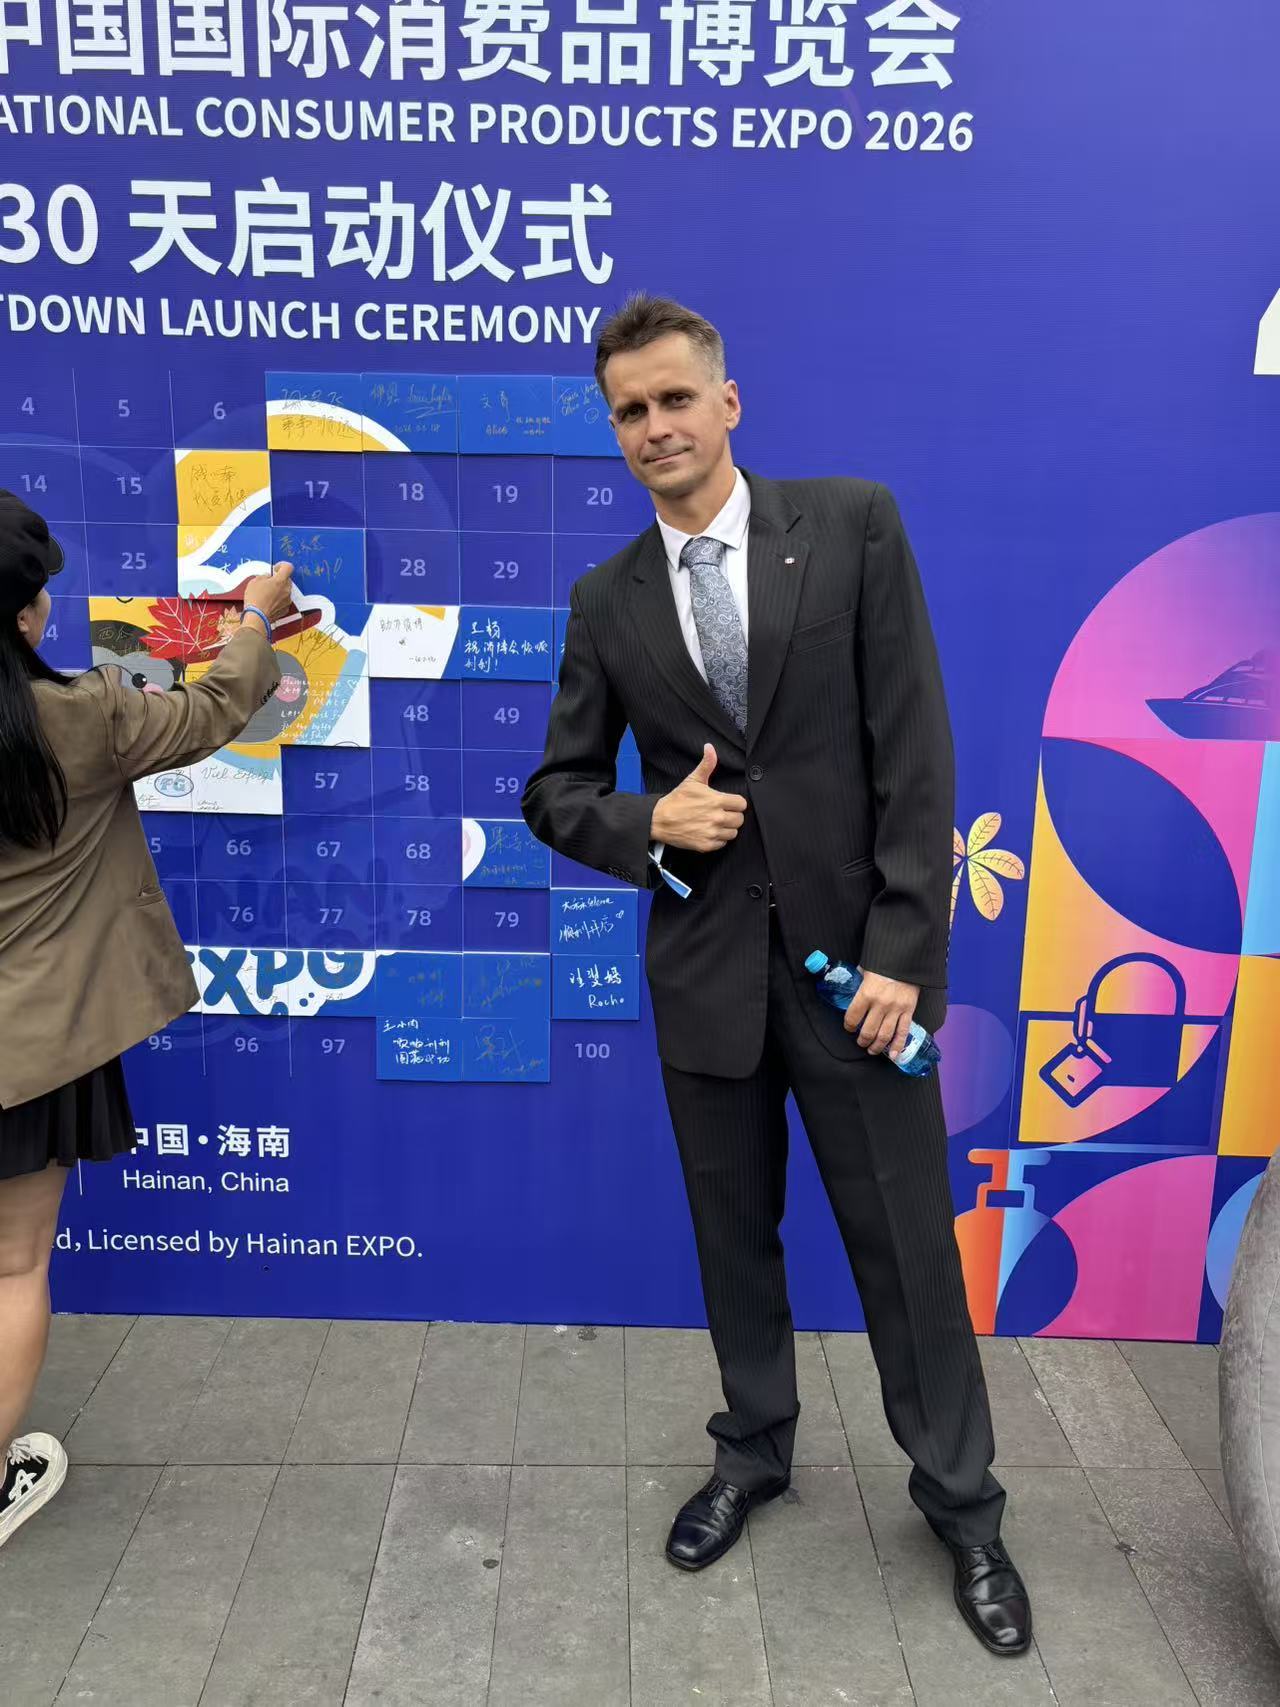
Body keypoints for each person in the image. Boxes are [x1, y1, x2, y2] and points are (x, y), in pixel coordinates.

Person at [523, 296, 1031, 1656]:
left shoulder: (851, 525)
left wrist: (904, 956)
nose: (655, 427)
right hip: (705, 979)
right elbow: (555, 790)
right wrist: (649, 821)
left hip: (859, 981)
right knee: (731, 1241)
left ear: (727, 402)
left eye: (675, 398)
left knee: (908, 1252)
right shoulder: (607, 601)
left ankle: (964, 1504)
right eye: (629, 411)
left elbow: (913, 751)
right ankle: (752, 1447)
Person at [0, 490, 294, 1552]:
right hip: (33, 1048)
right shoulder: (82, 715)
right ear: (27, 614)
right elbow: (213, 711)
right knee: (12, 1268)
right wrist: (255, 616)